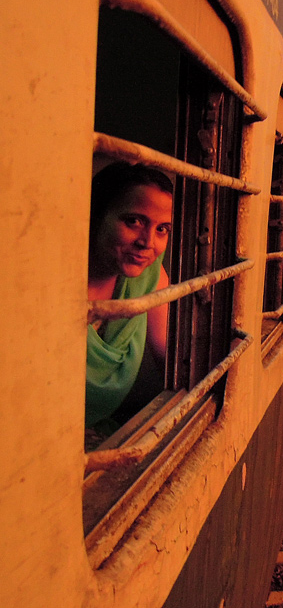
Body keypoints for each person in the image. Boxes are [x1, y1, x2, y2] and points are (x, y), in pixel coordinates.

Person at [86, 162, 173, 433]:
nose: (148, 242)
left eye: (162, 229)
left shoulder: (150, 278)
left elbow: (168, 354)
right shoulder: (48, 282)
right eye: (134, 221)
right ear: (97, 215)